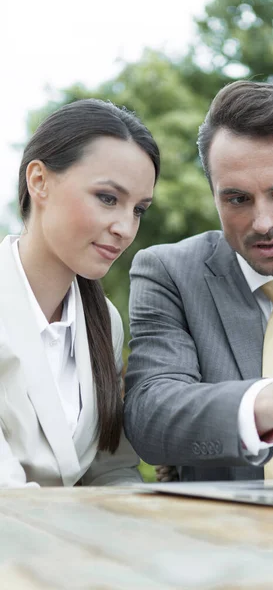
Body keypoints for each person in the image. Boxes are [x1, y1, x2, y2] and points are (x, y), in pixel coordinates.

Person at [124, 81, 273, 483]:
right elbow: (150, 416)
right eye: (237, 199)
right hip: (225, 539)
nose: (263, 223)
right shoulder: (170, 273)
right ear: (214, 194)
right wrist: (268, 401)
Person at [0, 98, 160, 487]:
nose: (125, 227)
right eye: (108, 198)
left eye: (139, 209)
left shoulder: (105, 321)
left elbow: (112, 469)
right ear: (38, 181)